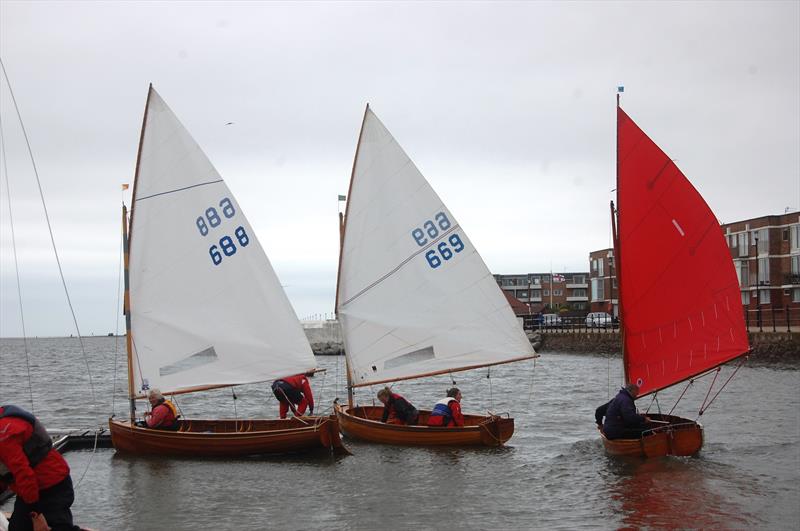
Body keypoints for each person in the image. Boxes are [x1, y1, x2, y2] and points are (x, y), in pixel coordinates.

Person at [0, 404, 81, 531]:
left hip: (52, 485)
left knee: (55, 526)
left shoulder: (5, 435)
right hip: (28, 490)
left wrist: (36, 515)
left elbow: (24, 475)